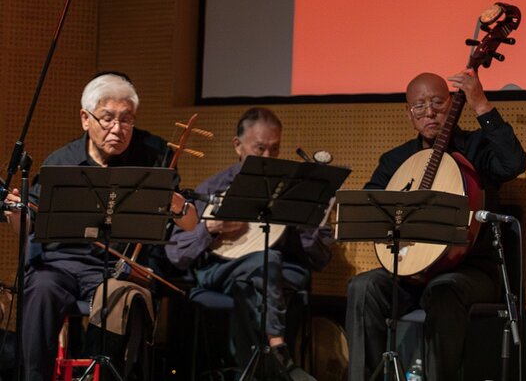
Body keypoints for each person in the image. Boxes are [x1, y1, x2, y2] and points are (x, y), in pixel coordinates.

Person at [346, 70, 526, 381]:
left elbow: (513, 163)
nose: (429, 112)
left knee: (443, 291)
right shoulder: (396, 160)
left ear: (452, 103)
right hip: (410, 274)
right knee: (362, 287)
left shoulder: (476, 148)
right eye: (419, 106)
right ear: (409, 113)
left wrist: (481, 104)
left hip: (468, 271)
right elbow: (371, 206)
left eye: (437, 103)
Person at [22, 73, 197, 380]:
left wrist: (175, 203)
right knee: (40, 289)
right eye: (107, 119)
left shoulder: (154, 154)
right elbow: (28, 223)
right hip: (61, 265)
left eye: (126, 120)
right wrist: (16, 212)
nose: (118, 129)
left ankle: (96, 374)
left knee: (115, 296)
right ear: (85, 119)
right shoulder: (61, 162)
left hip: (120, 267)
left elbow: (190, 223)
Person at [167, 107, 331, 381]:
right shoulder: (213, 188)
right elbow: (175, 252)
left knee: (262, 272)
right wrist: (210, 228)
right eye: (260, 149)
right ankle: (280, 355)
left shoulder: (290, 190)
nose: (268, 157)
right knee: (267, 263)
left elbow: (320, 259)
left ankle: (251, 372)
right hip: (221, 270)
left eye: (274, 149)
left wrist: (311, 217)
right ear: (238, 146)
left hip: (273, 275)